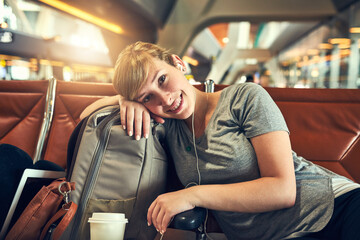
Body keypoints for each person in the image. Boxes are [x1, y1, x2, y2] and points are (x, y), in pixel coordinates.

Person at [81, 41, 360, 240]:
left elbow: (283, 190)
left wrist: (192, 194)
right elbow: (85, 116)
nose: (164, 99)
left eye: (162, 79)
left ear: (179, 63)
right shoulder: (167, 128)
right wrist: (123, 101)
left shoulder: (245, 98)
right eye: (147, 97)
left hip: (336, 206)